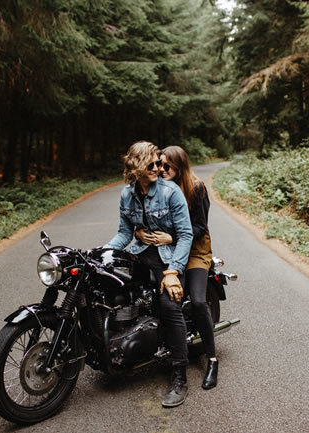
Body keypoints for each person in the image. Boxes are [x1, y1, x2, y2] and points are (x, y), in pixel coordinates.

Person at [106, 141, 194, 408]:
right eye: (152, 163)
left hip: (169, 258)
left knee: (169, 305)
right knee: (113, 290)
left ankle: (179, 374)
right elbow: (124, 232)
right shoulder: (126, 195)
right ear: (137, 166)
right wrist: (104, 251)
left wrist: (173, 272)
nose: (159, 167)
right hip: (141, 254)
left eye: (160, 163)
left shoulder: (171, 192)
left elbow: (186, 234)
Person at [136, 145, 218, 390]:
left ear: (179, 166)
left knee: (200, 302)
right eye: (158, 164)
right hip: (168, 251)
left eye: (166, 165)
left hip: (195, 252)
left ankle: (212, 359)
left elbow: (200, 226)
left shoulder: (196, 188)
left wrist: (172, 238)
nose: (161, 169)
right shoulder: (160, 188)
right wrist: (139, 230)